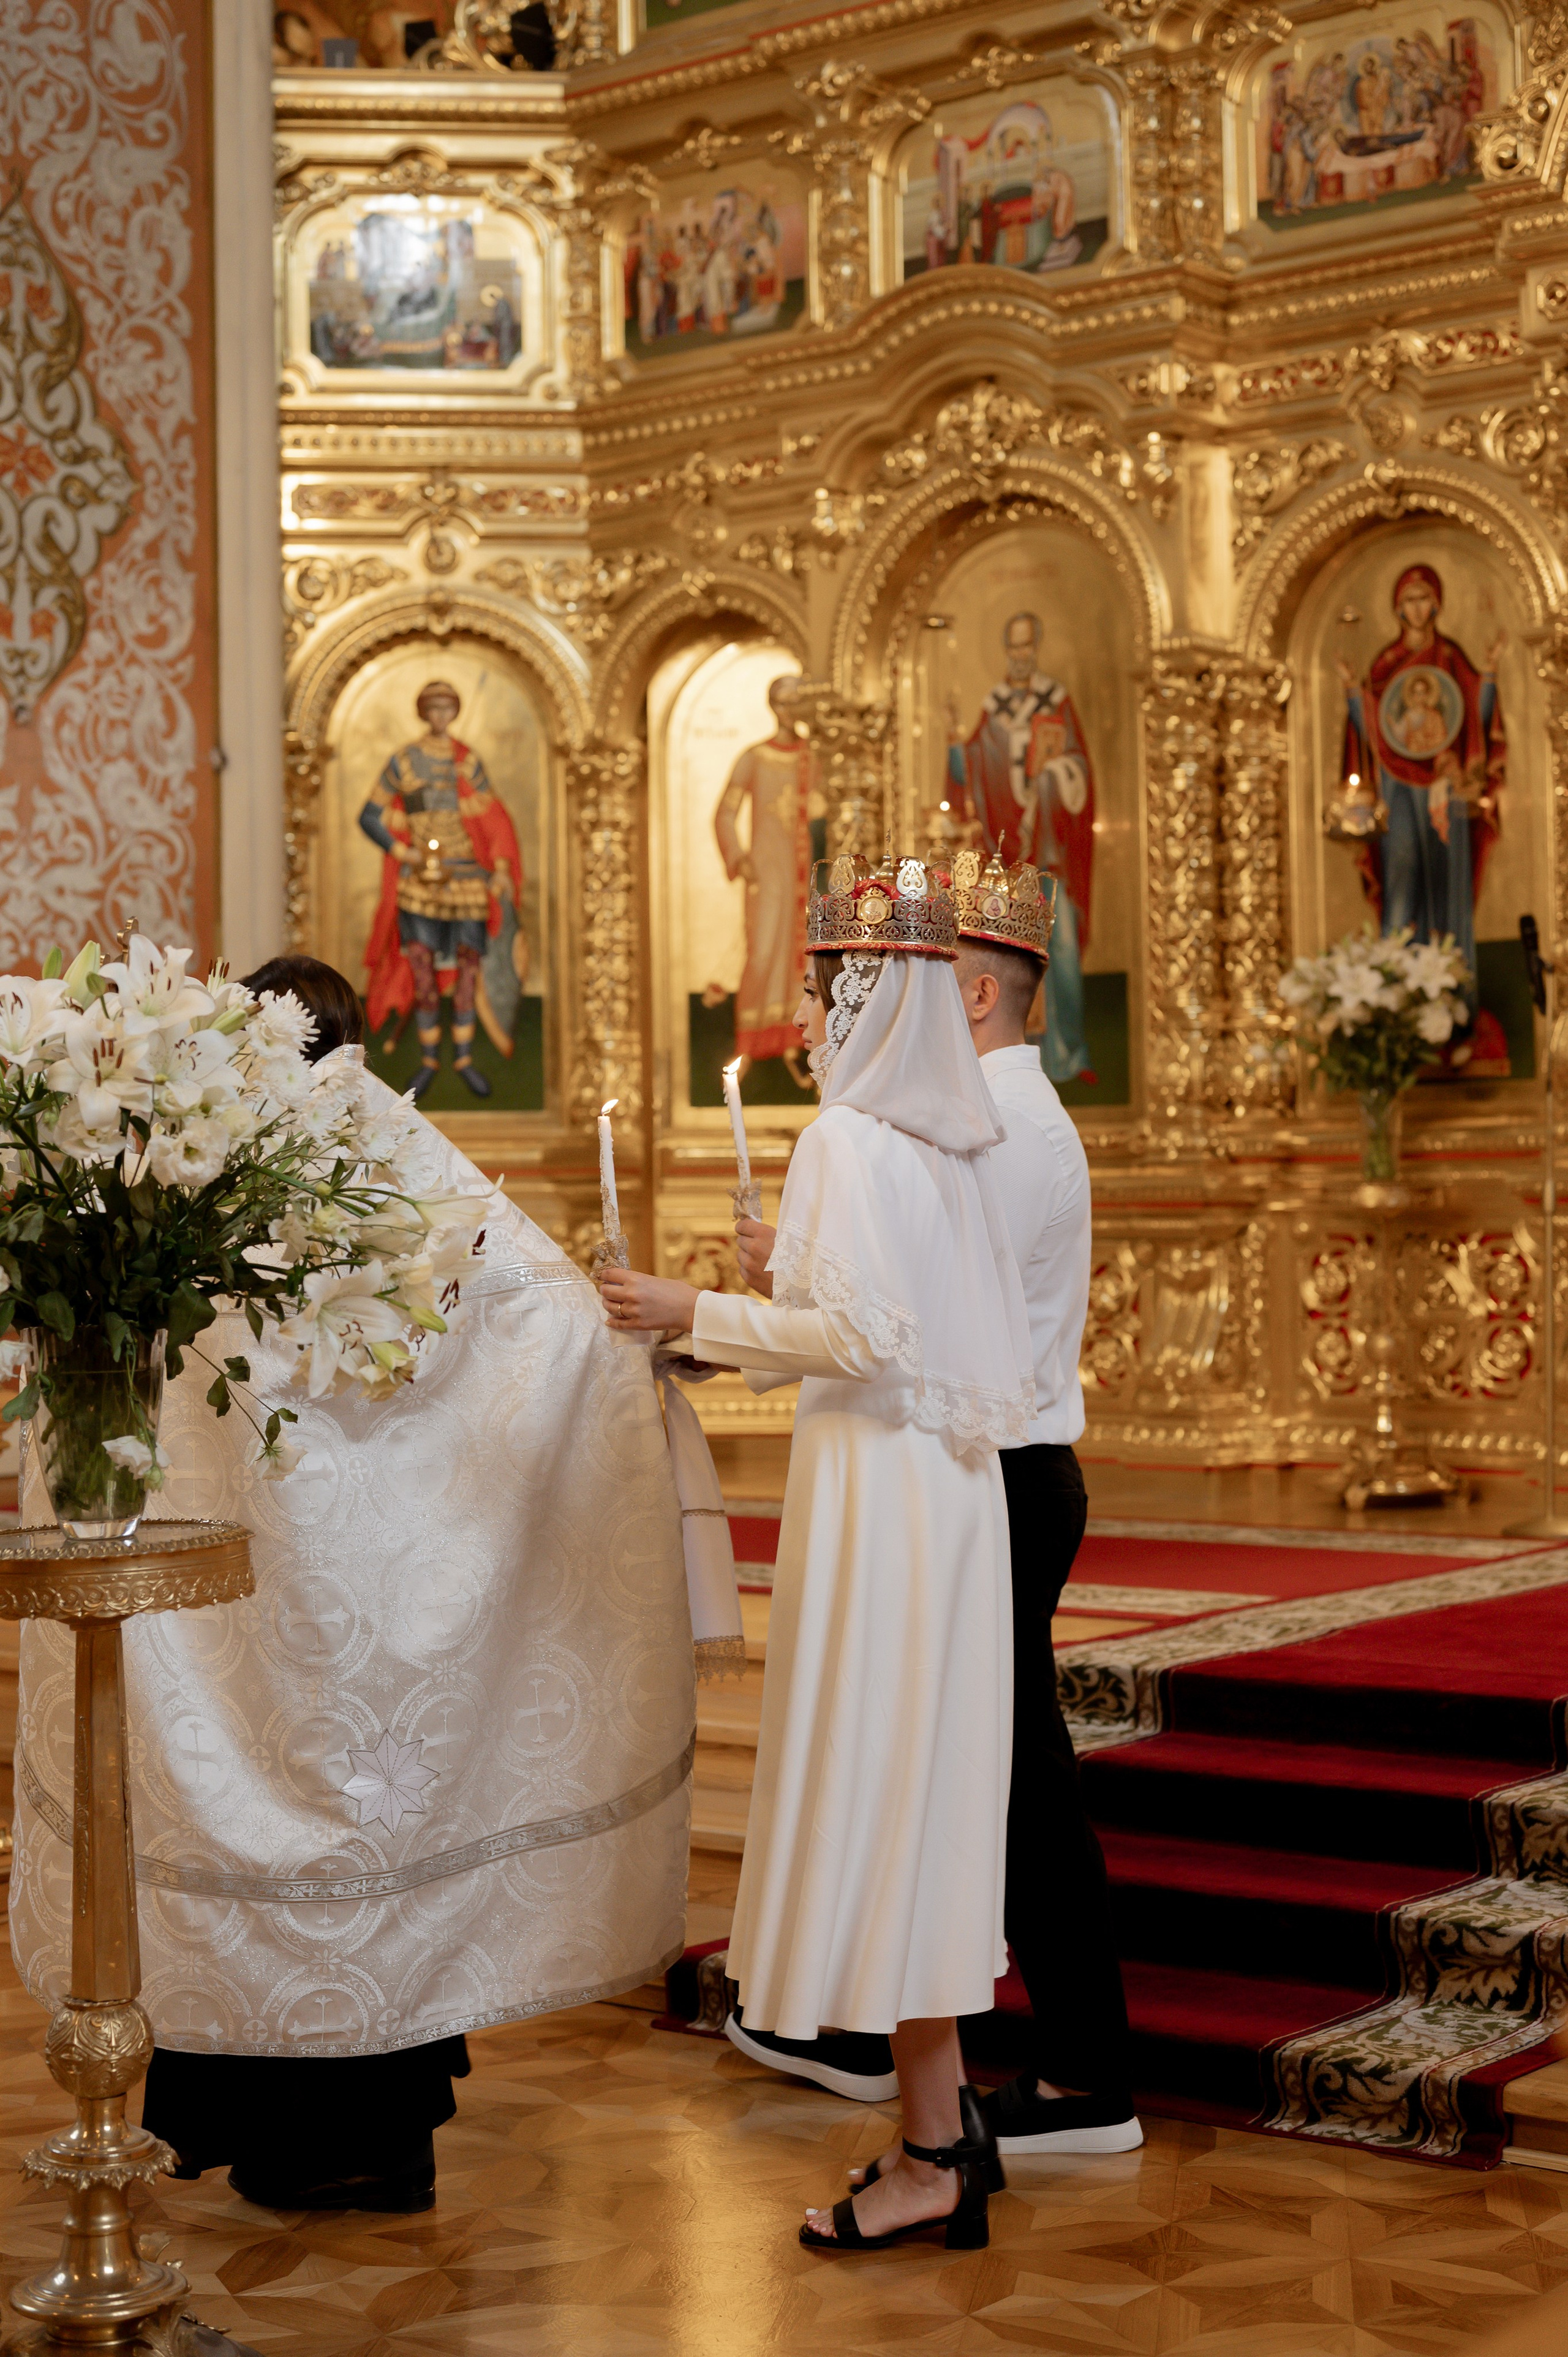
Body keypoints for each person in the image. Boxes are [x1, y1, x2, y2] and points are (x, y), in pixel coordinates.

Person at [8, 955, 701, 2214]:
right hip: (382, 1616)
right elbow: (540, 1314)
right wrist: (616, 1355)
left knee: (267, 1824)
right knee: (385, 1827)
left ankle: (275, 2134)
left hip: (243, 1617)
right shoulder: (406, 1156)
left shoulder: (210, 1168)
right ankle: (378, 2138)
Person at [601, 852, 1034, 2252]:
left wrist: (687, 1305)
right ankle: (939, 2127)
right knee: (920, 1807)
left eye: (819, 991)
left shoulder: (847, 1139)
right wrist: (754, 1306)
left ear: (865, 996)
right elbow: (884, 1333)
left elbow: (858, 1339)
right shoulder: (946, 1143)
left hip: (880, 1505)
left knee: (888, 1798)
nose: (805, 1018)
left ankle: (932, 2147)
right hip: (943, 1493)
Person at [727, 855, 1142, 2162]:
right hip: (988, 1456)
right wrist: (800, 1270)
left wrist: (779, 1287)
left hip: (993, 1466)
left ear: (968, 997)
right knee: (984, 1764)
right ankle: (914, 2032)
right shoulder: (978, 1113)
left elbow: (915, 1317)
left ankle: (1080, 2072)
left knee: (1003, 1775)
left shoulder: (994, 1122)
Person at [947, 611, 1096, 1086]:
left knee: (1061, 948)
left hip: (1049, 855)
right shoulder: (994, 707)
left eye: (1026, 645)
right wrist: (955, 745)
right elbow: (971, 763)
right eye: (1013, 647)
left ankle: (1067, 1055)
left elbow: (1080, 767)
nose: (1020, 655)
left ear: (1037, 646)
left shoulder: (1056, 700)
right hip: (1005, 859)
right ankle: (1005, 1064)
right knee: (1001, 961)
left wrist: (1052, 778)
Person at [360, 679, 522, 1101]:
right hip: (421, 882)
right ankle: (430, 1059)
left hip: (466, 878)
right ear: (423, 712)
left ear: (455, 712)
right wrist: (403, 851)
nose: (440, 716)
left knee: (469, 969)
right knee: (422, 970)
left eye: (446, 708)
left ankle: (464, 1058)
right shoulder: (404, 762)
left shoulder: (467, 761)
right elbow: (369, 816)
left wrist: (501, 868)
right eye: (433, 708)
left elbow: (493, 818)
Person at [712, 677, 822, 1085]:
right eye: (784, 702)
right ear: (773, 706)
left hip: (805, 873)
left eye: (797, 702)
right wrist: (738, 857)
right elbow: (725, 812)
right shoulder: (755, 757)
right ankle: (750, 1045)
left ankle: (797, 1043)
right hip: (767, 871)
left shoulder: (814, 757)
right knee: (762, 951)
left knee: (803, 952)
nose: (791, 711)